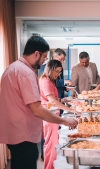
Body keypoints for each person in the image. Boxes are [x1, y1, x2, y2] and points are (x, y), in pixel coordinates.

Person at [0, 36, 78, 169]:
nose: (44, 61)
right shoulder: (25, 73)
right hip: (24, 135)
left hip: (13, 132)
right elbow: (36, 109)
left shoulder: (11, 68)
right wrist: (64, 121)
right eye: (44, 57)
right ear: (37, 53)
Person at [39, 60, 77, 169]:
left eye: (60, 72)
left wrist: (62, 99)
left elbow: (52, 99)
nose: (58, 74)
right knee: (51, 146)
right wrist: (73, 110)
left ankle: (50, 166)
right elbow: (53, 102)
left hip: (52, 115)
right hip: (49, 117)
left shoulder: (48, 80)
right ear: (50, 69)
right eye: (56, 71)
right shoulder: (45, 81)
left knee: (51, 145)